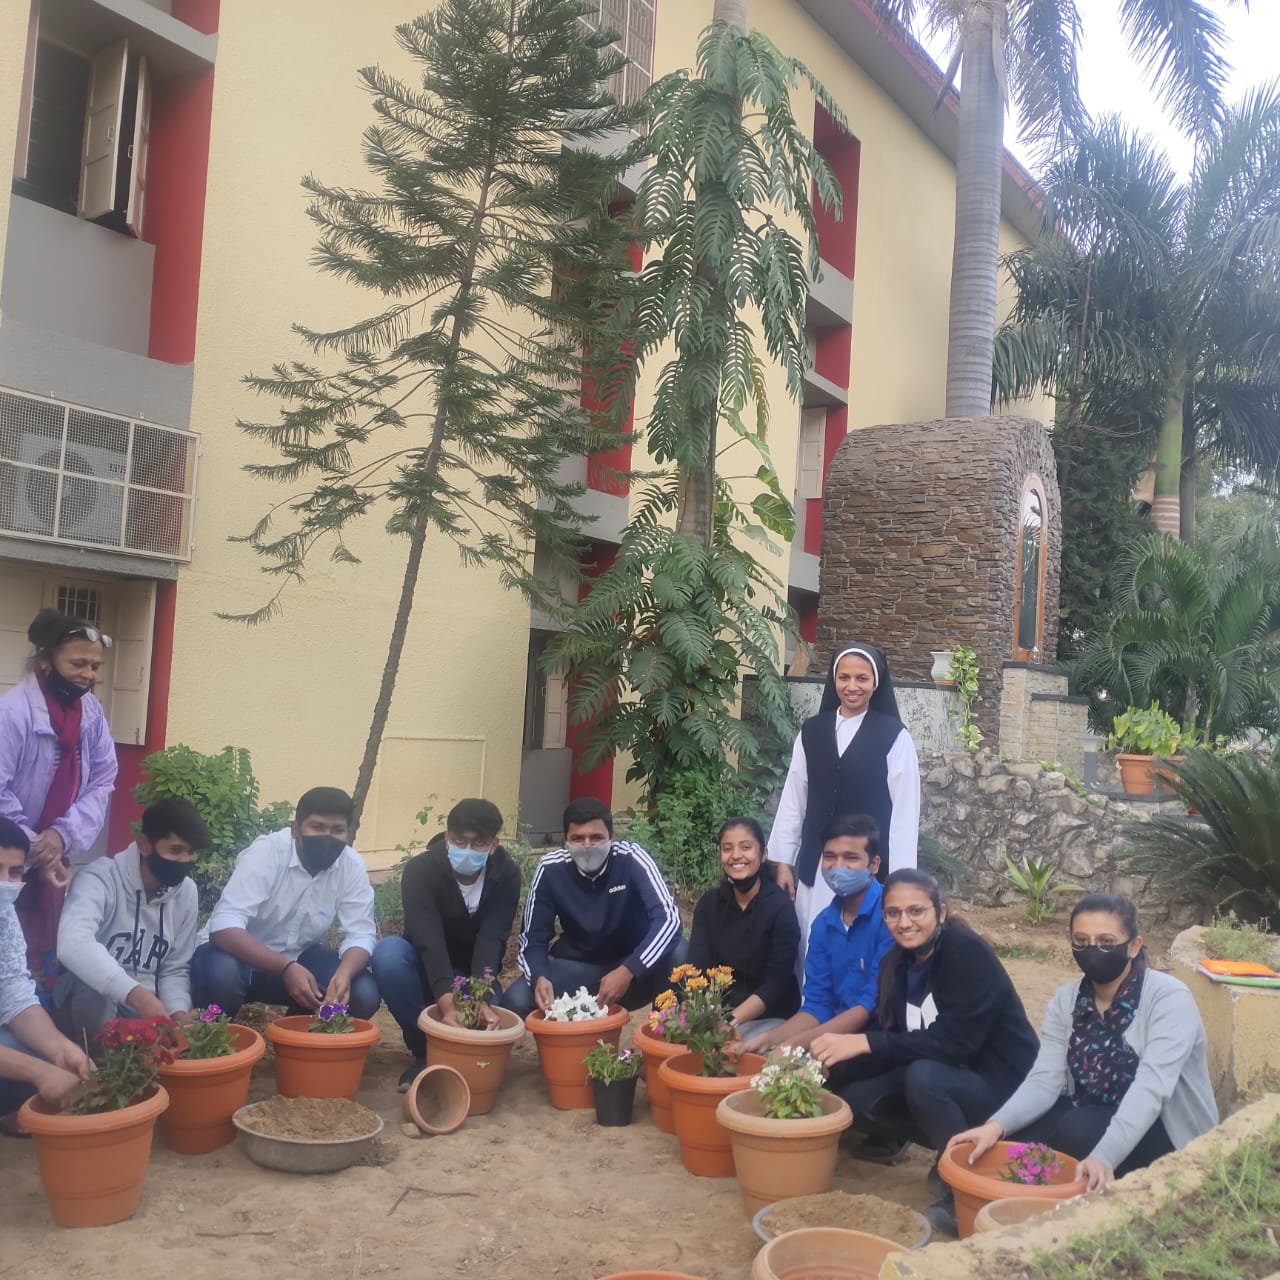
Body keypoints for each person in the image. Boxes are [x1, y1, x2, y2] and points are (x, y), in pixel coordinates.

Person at [812, 869, 1039, 1236]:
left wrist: (864, 1042)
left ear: (941, 912)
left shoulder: (965, 953)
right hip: (950, 1074)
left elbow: (957, 1043)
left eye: (916, 911)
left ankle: (963, 1188)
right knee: (856, 1096)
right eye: (893, 913)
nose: (904, 922)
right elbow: (898, 1040)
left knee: (924, 1079)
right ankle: (940, 1147)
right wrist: (825, 1066)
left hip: (1002, 1086)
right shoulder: (897, 964)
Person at [948, 894, 1218, 1194]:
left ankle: (1058, 1199)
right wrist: (995, 1126)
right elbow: (1044, 1080)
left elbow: (1151, 1089)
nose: (1093, 950)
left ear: (1134, 946)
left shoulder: (1168, 999)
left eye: (1105, 940)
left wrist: (1105, 1157)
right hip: (1092, 1112)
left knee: (1077, 1129)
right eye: (1081, 940)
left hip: (1167, 1132)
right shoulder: (1067, 1000)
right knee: (1013, 1139)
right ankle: (969, 1202)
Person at [768, 643, 920, 972]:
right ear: (833, 679)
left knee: (859, 953)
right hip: (816, 866)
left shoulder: (894, 736)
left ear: (876, 682)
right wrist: (782, 860)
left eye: (862, 678)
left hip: (866, 871)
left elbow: (905, 815)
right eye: (844, 677)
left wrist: (902, 880)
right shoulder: (812, 731)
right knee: (810, 948)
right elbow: (795, 797)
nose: (852, 686)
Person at [371, 798, 522, 1090]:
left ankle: (459, 1059)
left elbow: (493, 937)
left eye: (478, 843)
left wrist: (481, 996)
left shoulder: (507, 874)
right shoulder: (421, 870)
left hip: (471, 974)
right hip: (423, 968)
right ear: (446, 838)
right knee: (388, 955)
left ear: (493, 844)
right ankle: (424, 1053)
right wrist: (444, 999)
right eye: (458, 841)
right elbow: (427, 936)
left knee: (489, 1017)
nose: (467, 850)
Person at [190, 786, 379, 1020]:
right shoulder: (267, 852)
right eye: (317, 827)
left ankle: (298, 1040)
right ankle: (209, 1041)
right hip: (237, 958)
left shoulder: (351, 865)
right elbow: (223, 927)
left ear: (349, 833)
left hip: (300, 960)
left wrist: (344, 973)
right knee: (221, 973)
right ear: (296, 829)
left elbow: (361, 934)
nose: (327, 838)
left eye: (337, 830)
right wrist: (285, 967)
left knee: (363, 993)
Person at [0, 609, 118, 978]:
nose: (88, 675)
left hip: (53, 853)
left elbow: (104, 778)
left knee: (42, 958)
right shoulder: (12, 713)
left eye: (95, 666)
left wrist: (62, 836)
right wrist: (38, 846)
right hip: (7, 856)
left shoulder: (92, 714)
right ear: (45, 659)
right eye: (78, 663)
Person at [502, 797, 684, 1017]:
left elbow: (669, 921)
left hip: (635, 969)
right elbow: (532, 938)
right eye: (578, 838)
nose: (587, 846)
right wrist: (539, 976)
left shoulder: (631, 859)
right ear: (565, 841)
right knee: (515, 999)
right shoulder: (550, 869)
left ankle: (662, 1032)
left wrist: (629, 970)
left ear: (612, 838)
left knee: (679, 952)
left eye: (596, 837)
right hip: (579, 969)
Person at [54, 797, 210, 1044]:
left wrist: (178, 1012)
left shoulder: (186, 892)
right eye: (175, 850)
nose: (184, 861)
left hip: (142, 1006)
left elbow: (174, 967)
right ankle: (100, 1073)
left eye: (190, 852)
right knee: (96, 990)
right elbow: (72, 943)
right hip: (89, 999)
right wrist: (137, 995)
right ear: (145, 844)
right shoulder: (99, 878)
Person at [734, 815, 892, 1057]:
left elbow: (869, 1007)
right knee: (757, 1050)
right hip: (833, 1034)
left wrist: (799, 1043)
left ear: (874, 864)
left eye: (850, 857)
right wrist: (767, 1040)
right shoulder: (823, 925)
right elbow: (818, 1005)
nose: (838, 866)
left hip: (881, 1038)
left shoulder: (891, 918)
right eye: (829, 857)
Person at [0, 818, 93, 1132]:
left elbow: (14, 995)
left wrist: (60, 1049)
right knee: (35, 1069)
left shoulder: (4, 915)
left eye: (14, 872)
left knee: (46, 1055)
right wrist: (38, 1072)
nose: (6, 881)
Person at [686, 817, 801, 1040]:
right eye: (727, 848)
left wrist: (730, 1022)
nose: (736, 855)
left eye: (746, 847)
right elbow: (696, 967)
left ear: (763, 854)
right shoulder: (709, 905)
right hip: (720, 1011)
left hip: (769, 1016)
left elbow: (777, 983)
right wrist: (698, 1015)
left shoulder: (780, 908)